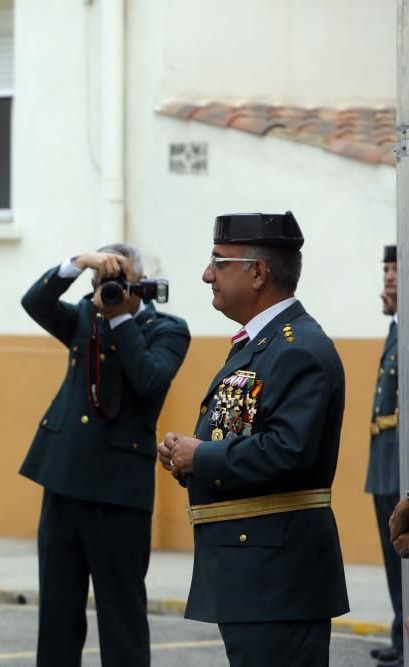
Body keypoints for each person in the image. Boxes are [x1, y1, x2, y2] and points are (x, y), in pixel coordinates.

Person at [158, 211, 349, 666]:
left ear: (258, 272)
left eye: (219, 262)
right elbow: (240, 432)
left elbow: (288, 452)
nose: (207, 274)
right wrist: (187, 455)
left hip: (278, 578)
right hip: (252, 573)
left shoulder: (297, 347)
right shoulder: (258, 344)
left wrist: (201, 457)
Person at [19, 245, 190, 666]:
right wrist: (79, 264)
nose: (107, 289)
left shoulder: (167, 329)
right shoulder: (83, 318)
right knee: (57, 615)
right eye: (102, 282)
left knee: (122, 617)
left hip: (119, 491)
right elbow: (34, 302)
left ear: (140, 285)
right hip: (64, 480)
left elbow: (150, 381)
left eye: (117, 280)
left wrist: (119, 316)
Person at [368, 244, 402, 667]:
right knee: (392, 559)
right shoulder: (395, 328)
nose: (389, 277)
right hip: (384, 458)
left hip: (400, 461)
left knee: (403, 553)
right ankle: (400, 632)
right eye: (386, 270)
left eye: (396, 269)